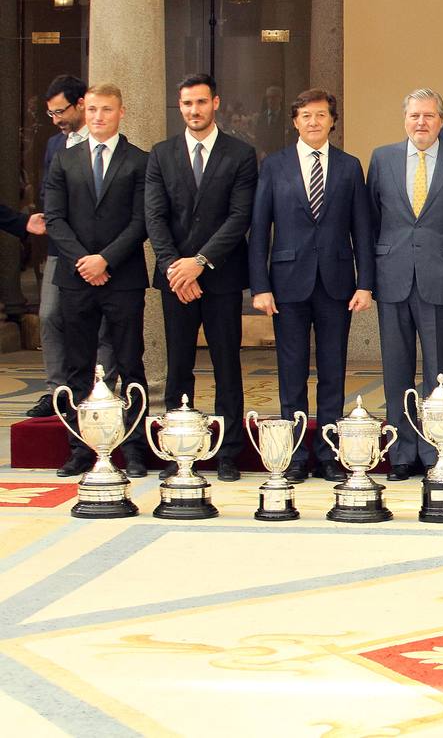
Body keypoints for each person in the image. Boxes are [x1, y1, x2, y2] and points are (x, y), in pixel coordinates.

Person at [249, 89, 375, 483]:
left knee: (333, 371)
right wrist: (260, 286)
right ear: (295, 121)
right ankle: (293, 454)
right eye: (306, 115)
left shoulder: (349, 166)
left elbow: (363, 230)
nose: (314, 122)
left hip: (337, 284)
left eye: (321, 115)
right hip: (286, 284)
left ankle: (329, 453)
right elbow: (259, 230)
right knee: (291, 371)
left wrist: (365, 283)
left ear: (332, 121)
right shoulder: (275, 166)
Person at [144, 74, 258, 482]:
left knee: (228, 364)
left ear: (216, 103)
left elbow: (238, 217)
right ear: (180, 107)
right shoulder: (161, 154)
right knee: (179, 366)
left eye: (201, 103)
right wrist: (177, 267)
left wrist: (201, 261)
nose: (195, 110)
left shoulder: (241, 154)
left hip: (221, 277)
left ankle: (228, 452)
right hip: (175, 279)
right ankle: (181, 449)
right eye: (188, 104)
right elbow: (154, 217)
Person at [368, 88, 443, 480]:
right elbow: (371, 219)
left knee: (439, 374)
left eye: (429, 116)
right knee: (396, 371)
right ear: (404, 119)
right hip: (393, 276)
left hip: (442, 278)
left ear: (441, 121)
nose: (421, 122)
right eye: (414, 115)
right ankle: (400, 453)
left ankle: (437, 451)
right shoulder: (381, 159)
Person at [43, 84, 150, 478]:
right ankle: (80, 448)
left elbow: (142, 221)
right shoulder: (64, 160)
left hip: (123, 277)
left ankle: (135, 449)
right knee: (77, 366)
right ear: (83, 112)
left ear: (121, 112)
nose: (98, 117)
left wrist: (106, 258)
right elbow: (54, 217)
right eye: (91, 110)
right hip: (76, 278)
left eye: (106, 110)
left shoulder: (139, 160)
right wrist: (84, 260)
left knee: (129, 363)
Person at [31, 74, 118, 418]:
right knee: (50, 315)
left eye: (60, 112)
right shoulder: (56, 145)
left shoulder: (113, 143)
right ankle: (58, 391)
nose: (57, 120)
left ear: (80, 104)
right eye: (51, 115)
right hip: (62, 247)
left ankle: (104, 390)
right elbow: (48, 193)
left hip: (103, 252)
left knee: (101, 325)